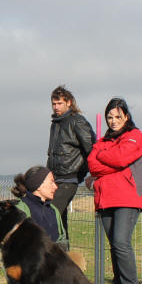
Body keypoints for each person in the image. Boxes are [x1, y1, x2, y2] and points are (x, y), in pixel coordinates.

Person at [87, 98, 142, 284]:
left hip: (127, 197)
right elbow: (93, 166)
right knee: (115, 244)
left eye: (117, 117)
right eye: (109, 117)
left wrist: (105, 158)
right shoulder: (102, 142)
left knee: (121, 242)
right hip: (105, 198)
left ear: (126, 117)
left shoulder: (135, 136)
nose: (113, 121)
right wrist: (111, 161)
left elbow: (121, 159)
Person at [7, 166, 67, 284]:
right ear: (38, 186)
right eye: (51, 182)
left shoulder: (54, 211)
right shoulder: (21, 210)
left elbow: (63, 241)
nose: (56, 186)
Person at [46, 86, 96, 237]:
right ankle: (63, 255)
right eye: (54, 104)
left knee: (50, 215)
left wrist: (83, 174)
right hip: (54, 179)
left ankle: (55, 254)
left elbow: (92, 150)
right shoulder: (55, 123)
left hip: (69, 179)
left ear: (69, 103)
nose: (56, 107)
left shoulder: (77, 121)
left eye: (59, 103)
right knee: (60, 220)